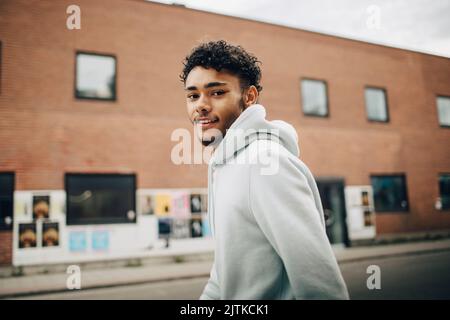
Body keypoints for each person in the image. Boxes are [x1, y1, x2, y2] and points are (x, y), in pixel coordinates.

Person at [180, 40, 349, 299]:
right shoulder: (224, 165)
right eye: (193, 95)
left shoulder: (265, 163)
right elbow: (226, 273)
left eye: (216, 93)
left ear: (248, 97)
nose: (200, 105)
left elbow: (319, 284)